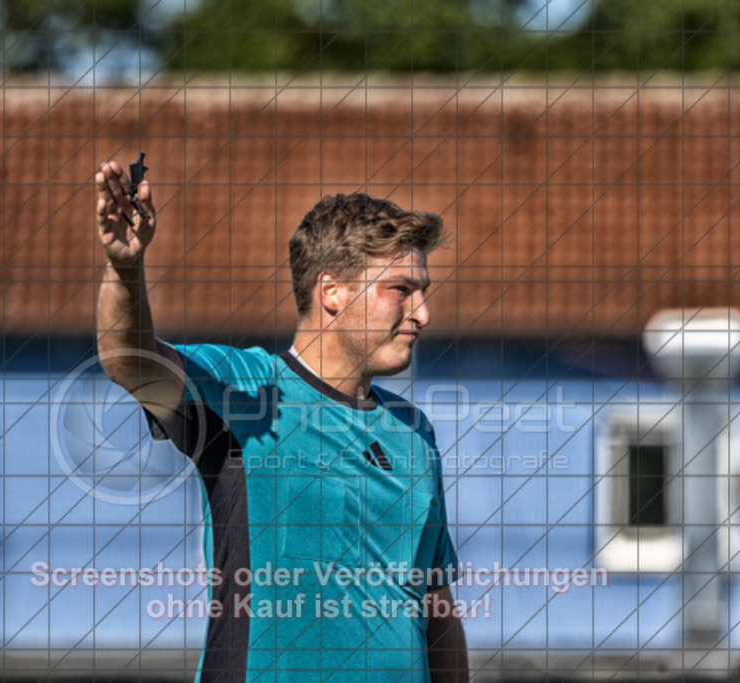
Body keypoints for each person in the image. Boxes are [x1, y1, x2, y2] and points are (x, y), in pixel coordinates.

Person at [94, 159, 468, 682]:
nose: (422, 312)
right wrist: (124, 269)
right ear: (331, 291)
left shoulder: (414, 431)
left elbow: (436, 604)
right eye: (401, 289)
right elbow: (128, 359)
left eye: (422, 290)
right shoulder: (245, 388)